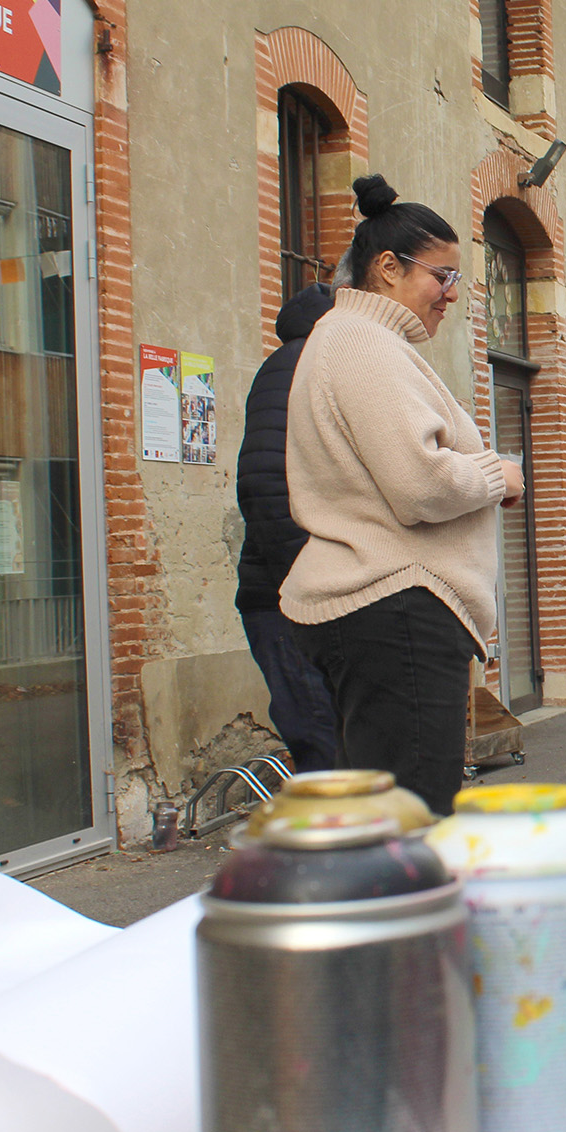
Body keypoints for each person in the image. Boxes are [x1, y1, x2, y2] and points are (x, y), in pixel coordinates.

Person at [281, 174, 523, 815]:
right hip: (397, 608)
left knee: (379, 818)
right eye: (443, 276)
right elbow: (419, 485)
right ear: (389, 268)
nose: (452, 295)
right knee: (413, 818)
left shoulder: (358, 340)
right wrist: (497, 475)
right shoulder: (362, 343)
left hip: (386, 608)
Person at [235, 281, 339, 773]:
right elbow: (266, 483)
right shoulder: (300, 365)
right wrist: (313, 582)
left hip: (311, 595)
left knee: (339, 746)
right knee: (326, 745)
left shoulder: (319, 361)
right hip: (292, 601)